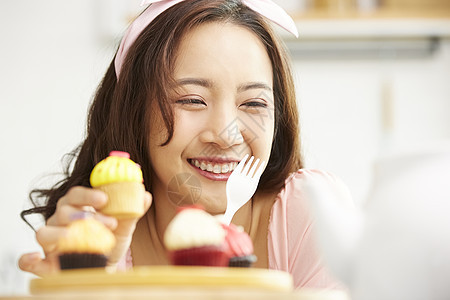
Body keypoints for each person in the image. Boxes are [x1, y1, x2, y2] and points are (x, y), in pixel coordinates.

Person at [19, 0, 352, 289]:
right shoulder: (99, 238)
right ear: (135, 111)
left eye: (253, 104)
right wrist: (85, 285)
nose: (225, 135)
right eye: (192, 100)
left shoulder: (312, 215)